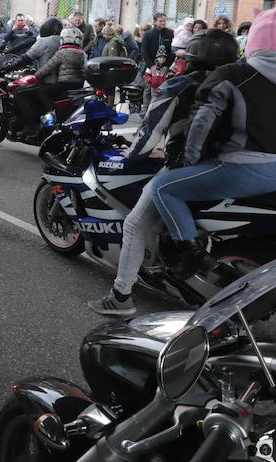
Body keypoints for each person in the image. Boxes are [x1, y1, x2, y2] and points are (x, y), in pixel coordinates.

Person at [149, 6, 276, 285]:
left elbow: (201, 126)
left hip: (244, 171)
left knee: (163, 188)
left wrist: (186, 161)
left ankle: (189, 250)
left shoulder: (233, 74)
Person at [88, 28, 240, 315]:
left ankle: (121, 297)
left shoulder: (181, 85)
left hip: (188, 168)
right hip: (238, 168)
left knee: (134, 224)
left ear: (191, 58)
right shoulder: (239, 84)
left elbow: (150, 130)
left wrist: (133, 155)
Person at [22, 26, 87, 140]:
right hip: (78, 85)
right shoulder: (82, 53)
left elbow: (48, 67)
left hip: (65, 84)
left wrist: (36, 75)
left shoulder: (62, 52)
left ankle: (51, 115)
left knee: (43, 92)